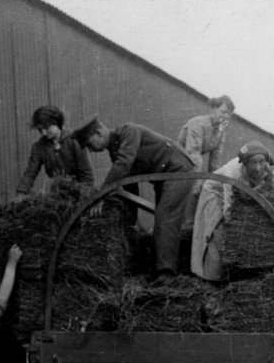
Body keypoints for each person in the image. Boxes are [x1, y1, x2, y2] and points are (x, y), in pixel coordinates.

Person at [73, 115, 195, 280]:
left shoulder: (129, 132)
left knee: (165, 219)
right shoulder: (115, 151)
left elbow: (123, 165)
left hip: (178, 170)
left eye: (89, 144)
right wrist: (130, 222)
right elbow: (130, 185)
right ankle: (161, 270)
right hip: (164, 177)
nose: (91, 150)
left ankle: (166, 274)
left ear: (98, 133)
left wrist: (100, 195)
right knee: (162, 220)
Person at [189, 141, 274, 281]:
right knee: (219, 230)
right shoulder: (233, 173)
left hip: (243, 194)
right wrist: (233, 226)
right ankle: (211, 279)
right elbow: (229, 206)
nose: (258, 168)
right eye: (253, 163)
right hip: (216, 193)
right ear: (244, 163)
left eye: (261, 162)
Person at [14, 105, 94, 197]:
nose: (43, 132)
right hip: (57, 195)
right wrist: (21, 192)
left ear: (57, 122)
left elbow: (86, 174)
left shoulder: (74, 140)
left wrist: (86, 197)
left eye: (47, 128)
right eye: (40, 129)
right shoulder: (39, 147)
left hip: (79, 192)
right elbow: (30, 173)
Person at [176, 95, 235, 176]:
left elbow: (215, 162)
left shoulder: (220, 132)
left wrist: (214, 179)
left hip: (193, 164)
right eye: (223, 112)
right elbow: (193, 154)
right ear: (213, 109)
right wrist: (198, 180)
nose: (226, 116)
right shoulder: (198, 123)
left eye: (229, 114)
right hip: (178, 162)